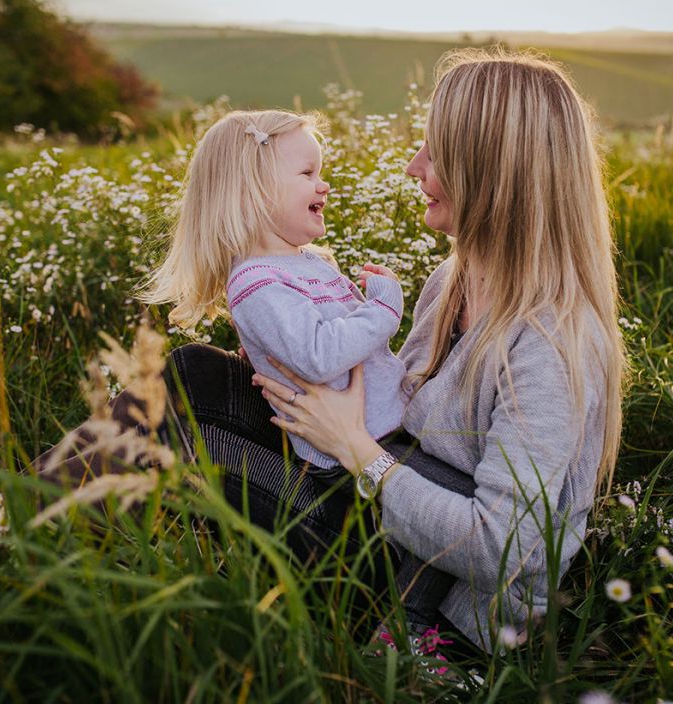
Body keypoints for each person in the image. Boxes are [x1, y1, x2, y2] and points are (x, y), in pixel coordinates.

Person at [174, 47, 625, 654]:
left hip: (437, 600)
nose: (414, 168)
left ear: (491, 170)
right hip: (376, 507)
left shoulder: (552, 343)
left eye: (433, 153)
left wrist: (354, 448)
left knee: (174, 439)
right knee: (193, 374)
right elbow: (402, 405)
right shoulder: (454, 279)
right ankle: (28, 512)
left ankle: (32, 527)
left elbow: (502, 550)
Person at [141, 110, 409, 470]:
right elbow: (319, 357)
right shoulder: (256, 283)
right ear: (255, 191)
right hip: (345, 464)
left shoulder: (306, 262)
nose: (323, 185)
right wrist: (384, 309)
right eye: (307, 173)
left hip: (384, 435)